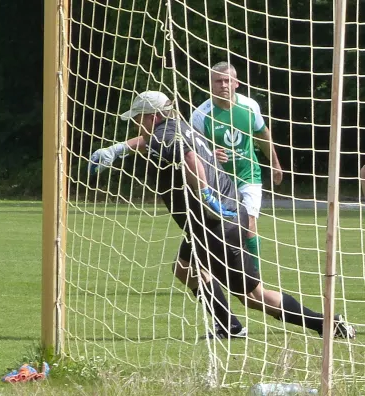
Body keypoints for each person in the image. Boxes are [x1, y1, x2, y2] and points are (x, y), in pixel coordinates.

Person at [89, 90, 355, 340]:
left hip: (218, 222)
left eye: (138, 119)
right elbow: (150, 143)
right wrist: (117, 150)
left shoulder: (166, 136)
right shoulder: (179, 128)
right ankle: (229, 326)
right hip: (211, 222)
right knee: (184, 268)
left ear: (152, 117)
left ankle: (326, 323)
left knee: (253, 295)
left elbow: (190, 159)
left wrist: (205, 196)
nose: (137, 125)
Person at [191, 62, 283, 271]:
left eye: (227, 80)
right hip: (219, 181)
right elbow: (193, 151)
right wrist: (211, 155)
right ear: (211, 84)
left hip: (248, 176)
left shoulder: (250, 107)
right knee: (220, 228)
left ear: (236, 83)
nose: (223, 85)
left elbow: (263, 135)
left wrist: (275, 164)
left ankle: (254, 275)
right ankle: (215, 270)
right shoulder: (200, 115)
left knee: (249, 224)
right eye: (218, 81)